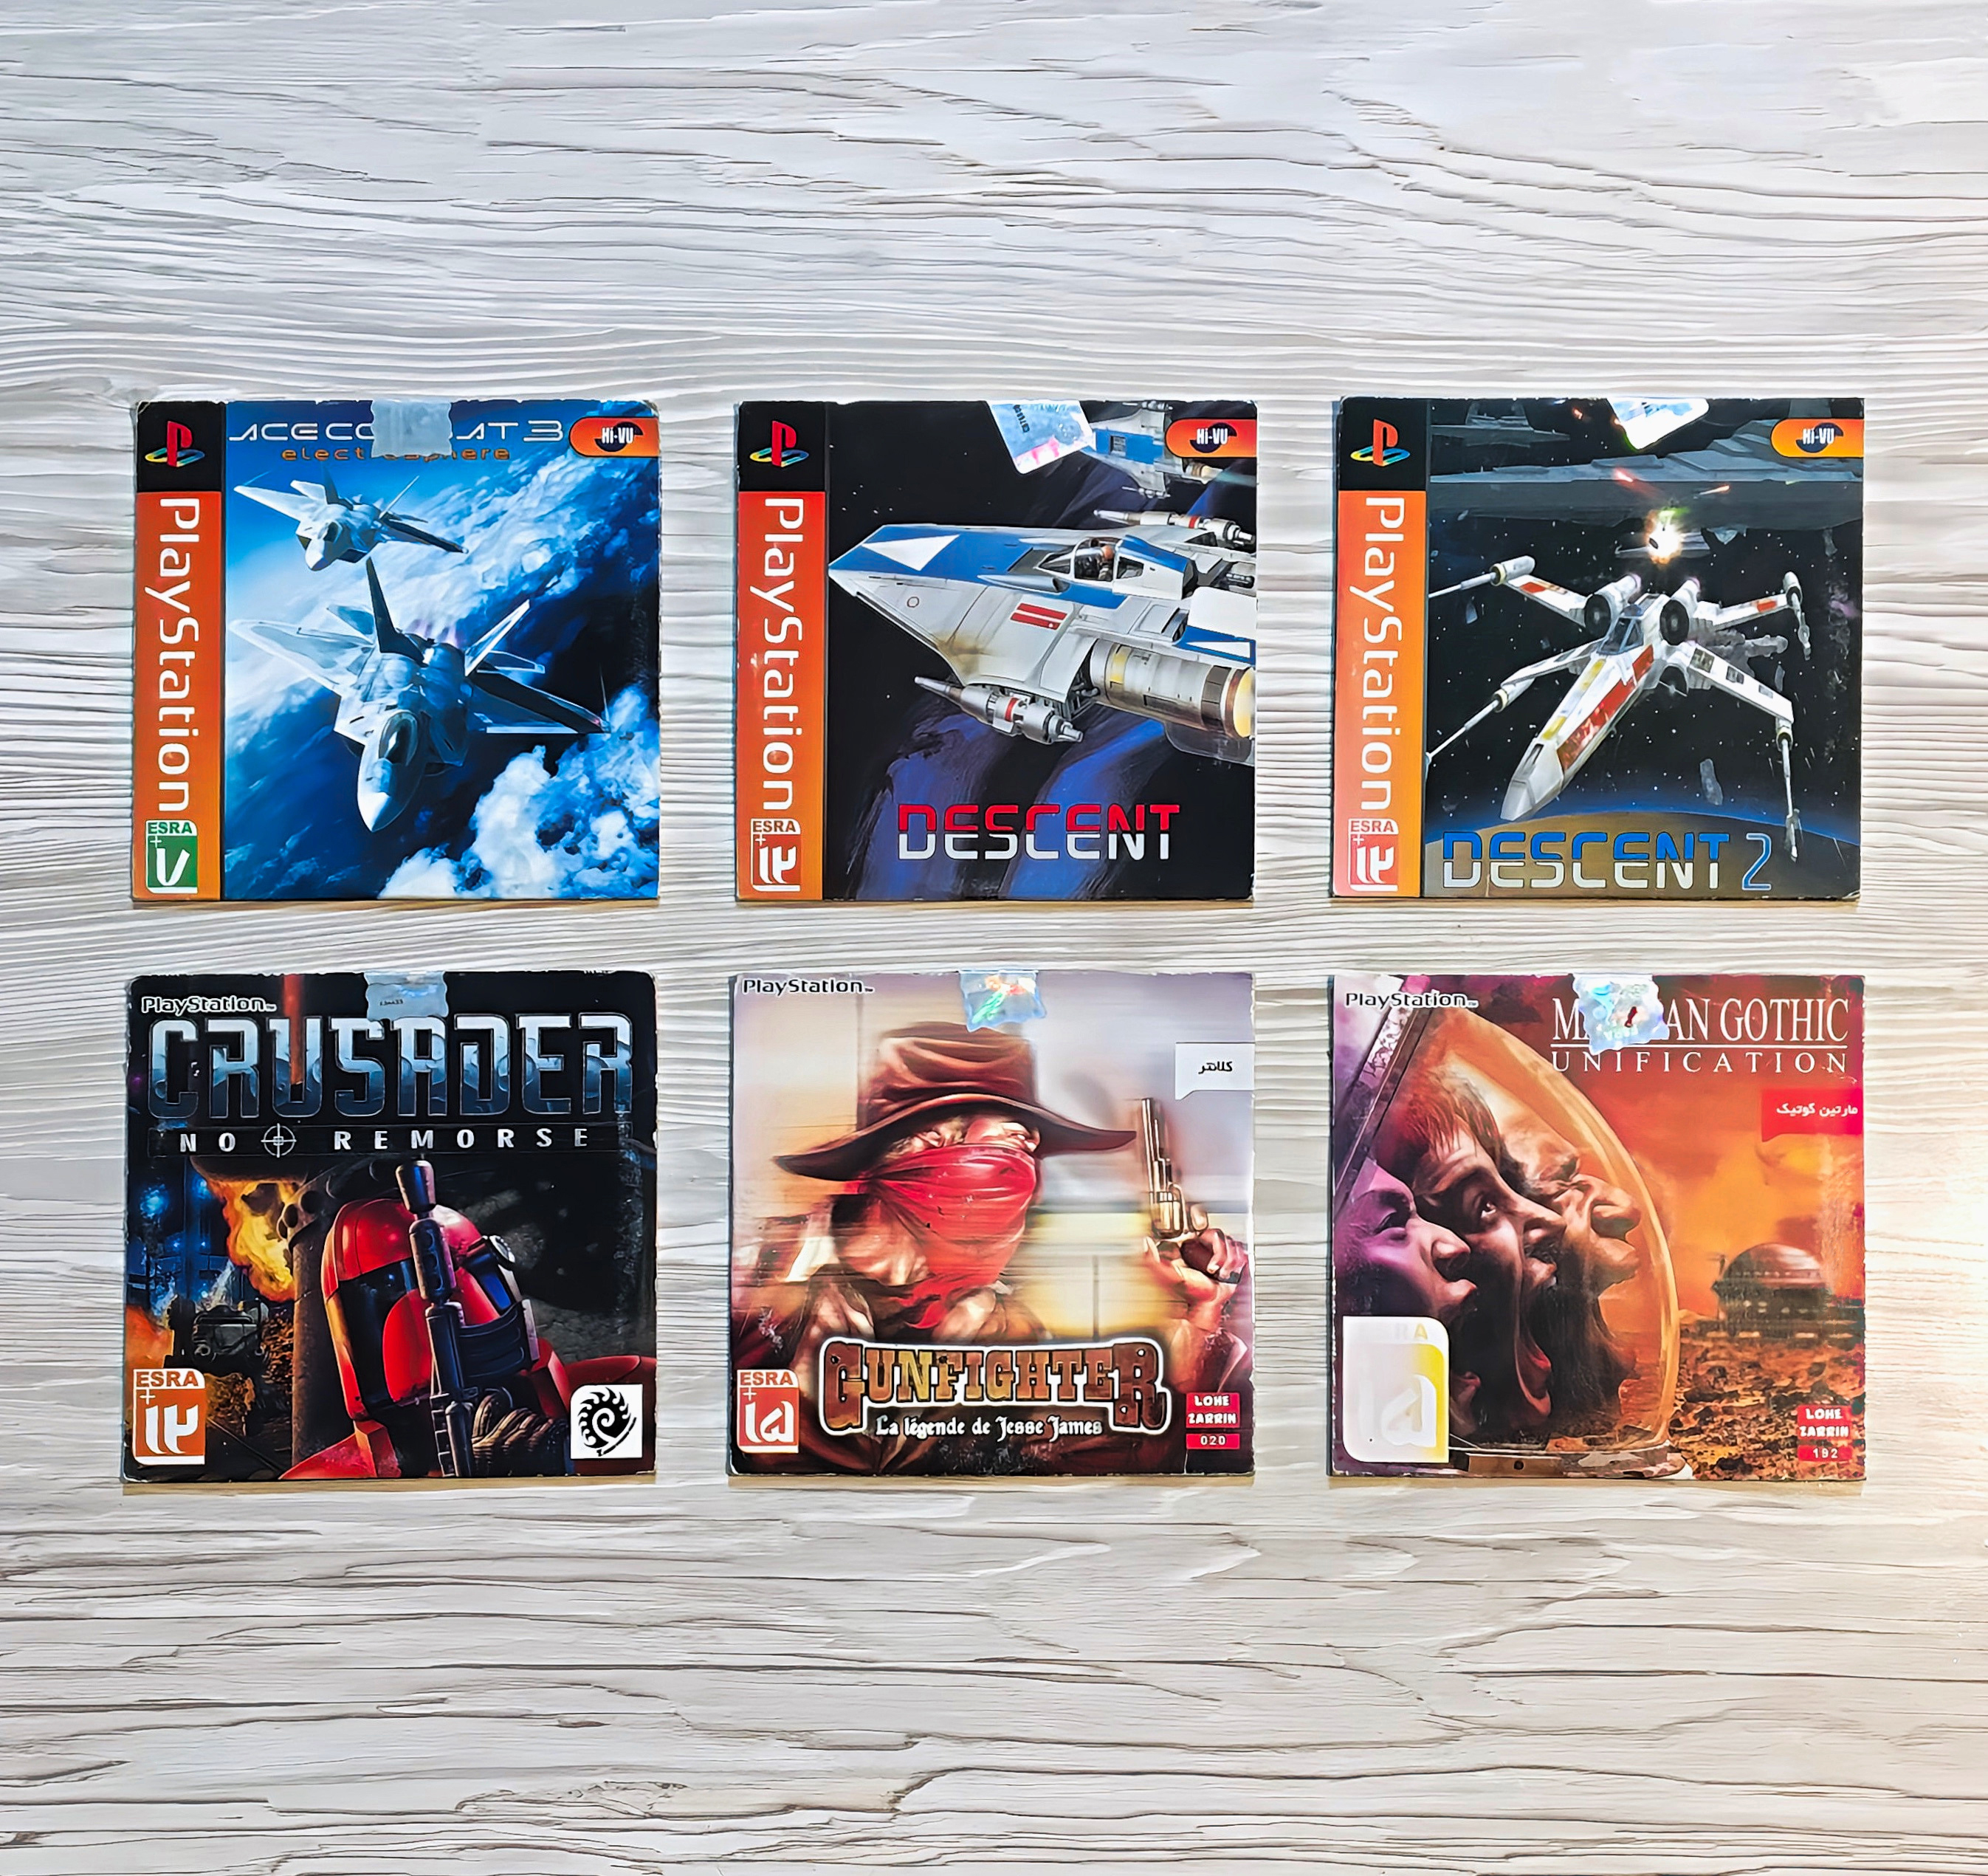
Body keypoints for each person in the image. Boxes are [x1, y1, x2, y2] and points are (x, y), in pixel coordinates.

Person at [735, 1022, 1249, 1473]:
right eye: (1011, 1141)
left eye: (1028, 1152)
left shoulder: (1010, 1328)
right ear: (926, 1142)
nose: (1029, 1158)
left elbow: (1116, 1463)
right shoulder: (754, 1278)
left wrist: (1199, 1317)